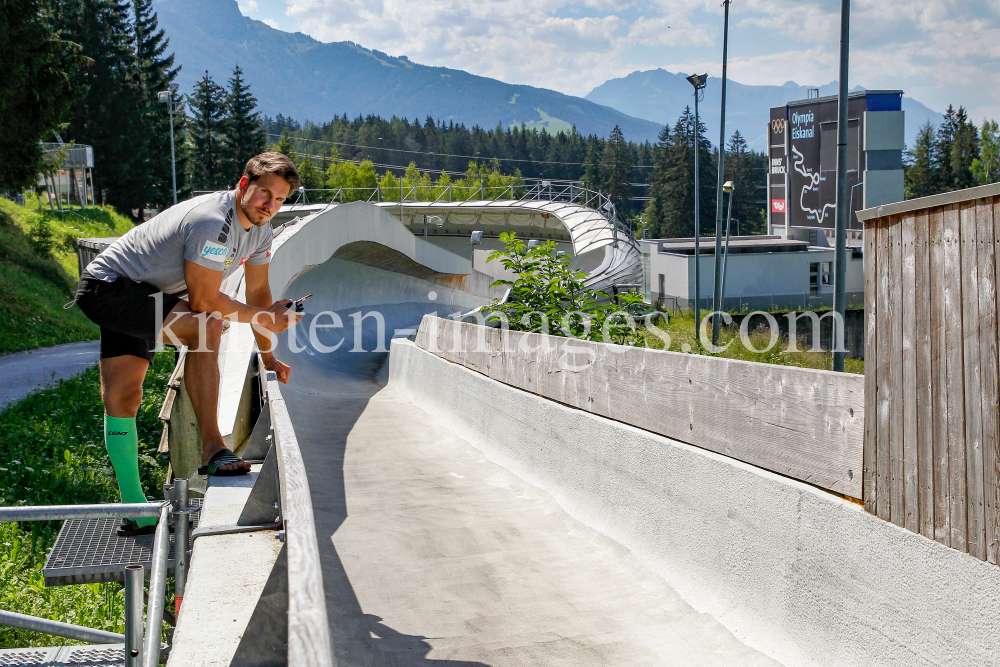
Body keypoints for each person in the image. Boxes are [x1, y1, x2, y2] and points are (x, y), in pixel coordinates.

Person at [74, 152, 302, 535]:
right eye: (265, 193)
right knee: (206, 326)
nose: (270, 206)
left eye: (279, 200)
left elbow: (259, 293)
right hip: (109, 289)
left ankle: (135, 509)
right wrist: (264, 318)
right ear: (244, 185)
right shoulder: (212, 222)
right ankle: (214, 449)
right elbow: (205, 301)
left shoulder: (261, 231)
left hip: (146, 291)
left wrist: (270, 357)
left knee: (124, 396)